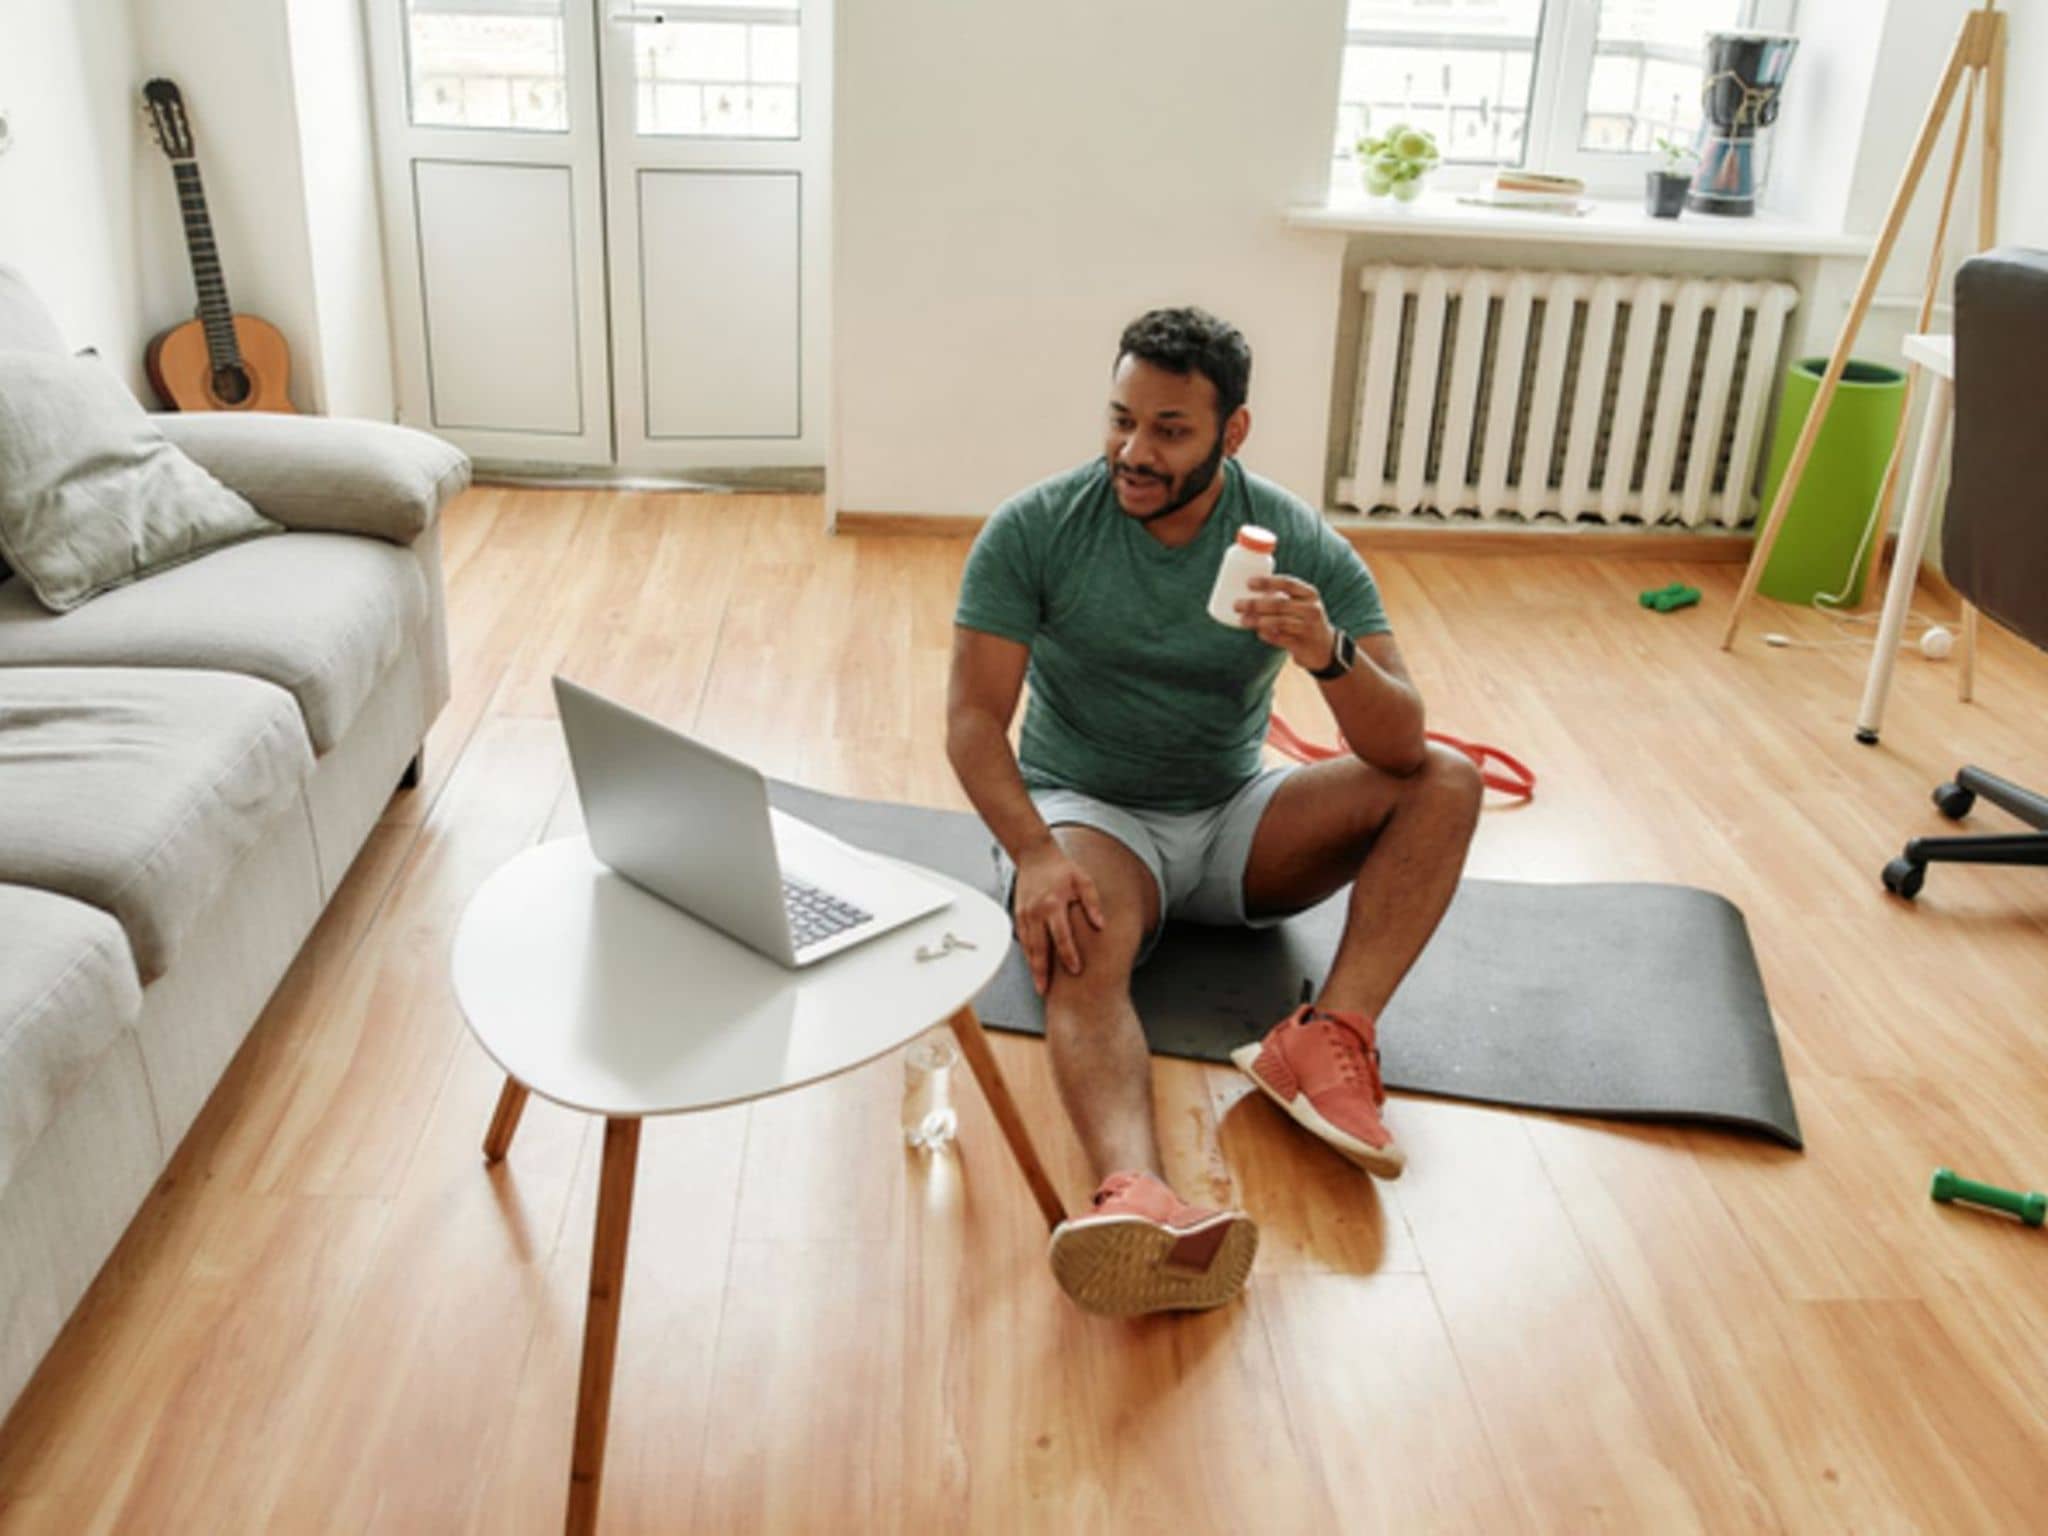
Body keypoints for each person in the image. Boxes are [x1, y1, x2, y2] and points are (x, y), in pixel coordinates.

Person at [946, 306, 1482, 1317]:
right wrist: (1032, 854)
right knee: (1077, 935)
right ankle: (1136, 1195)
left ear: (1231, 433)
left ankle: (1325, 1035)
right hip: (1090, 815)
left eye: (1168, 431)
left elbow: (1402, 745)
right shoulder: (1036, 527)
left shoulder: (1293, 539)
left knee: (1449, 779)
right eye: (1120, 421)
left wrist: (1326, 654)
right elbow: (973, 722)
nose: (1132, 452)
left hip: (1237, 815)